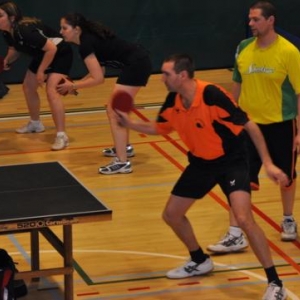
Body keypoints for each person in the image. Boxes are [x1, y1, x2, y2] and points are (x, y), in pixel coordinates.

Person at [116, 53, 288, 300]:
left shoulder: (212, 95)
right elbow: (159, 128)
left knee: (243, 218)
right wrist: (130, 124)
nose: (161, 78)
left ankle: (275, 282)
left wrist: (269, 164)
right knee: (172, 215)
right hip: (201, 163)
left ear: (182, 75)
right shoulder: (173, 100)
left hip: (232, 162)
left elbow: (249, 125)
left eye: (166, 74)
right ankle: (199, 260)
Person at [207, 0, 300, 254]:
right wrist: (230, 118)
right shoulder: (243, 48)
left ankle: (288, 218)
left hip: (282, 124)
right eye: (249, 19)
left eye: (256, 19)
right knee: (238, 177)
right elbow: (236, 83)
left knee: (286, 177)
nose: (251, 24)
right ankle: (236, 233)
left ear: (271, 21)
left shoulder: (289, 52)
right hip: (248, 126)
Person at [58, 13, 152, 174]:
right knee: (117, 111)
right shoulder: (87, 40)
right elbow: (98, 70)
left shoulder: (86, 44)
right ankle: (125, 148)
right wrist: (74, 86)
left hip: (136, 65)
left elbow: (98, 79)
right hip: (137, 62)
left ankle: (122, 162)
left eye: (64, 28)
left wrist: (73, 86)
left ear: (77, 29)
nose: (61, 31)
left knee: (114, 111)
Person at [0, 1, 73, 150]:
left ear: (12, 18)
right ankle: (35, 123)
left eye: (0, 15)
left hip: (60, 54)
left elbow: (51, 49)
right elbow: (15, 49)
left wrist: (41, 72)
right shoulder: (7, 31)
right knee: (28, 87)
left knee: (52, 91)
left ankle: (61, 136)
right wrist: (7, 60)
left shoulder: (24, 29)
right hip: (42, 55)